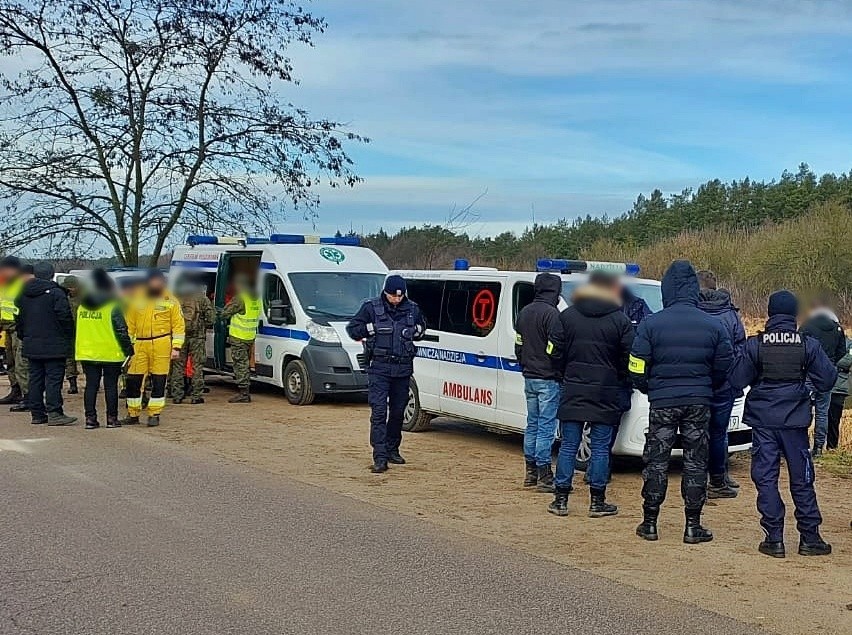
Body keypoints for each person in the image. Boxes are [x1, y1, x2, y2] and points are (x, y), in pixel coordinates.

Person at [629, 260, 733, 544]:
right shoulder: (713, 325)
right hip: (699, 401)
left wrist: (649, 388)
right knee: (695, 462)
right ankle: (692, 525)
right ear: (693, 290)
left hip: (662, 401)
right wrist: (708, 387)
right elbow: (725, 366)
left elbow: (636, 364)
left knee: (656, 462)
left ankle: (649, 523)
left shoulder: (651, 324)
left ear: (666, 290)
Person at [729, 290, 836, 558]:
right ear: (795, 314)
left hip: (764, 422)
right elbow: (827, 379)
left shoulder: (756, 344)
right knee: (802, 480)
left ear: (769, 313)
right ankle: (810, 538)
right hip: (795, 423)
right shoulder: (807, 344)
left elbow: (736, 379)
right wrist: (805, 386)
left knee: (766, 479)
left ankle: (774, 538)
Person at [548, 271, 634, 518]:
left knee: (568, 446)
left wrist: (564, 373)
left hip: (573, 388)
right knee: (599, 448)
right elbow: (629, 358)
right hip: (606, 392)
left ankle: (560, 499)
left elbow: (553, 351)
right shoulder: (620, 320)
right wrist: (619, 378)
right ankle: (597, 502)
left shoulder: (567, 316)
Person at [347, 275, 425, 474]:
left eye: (399, 296)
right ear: (386, 292)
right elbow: (353, 329)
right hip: (380, 369)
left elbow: (422, 328)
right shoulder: (371, 308)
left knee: (398, 412)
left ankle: (392, 449)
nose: (396, 299)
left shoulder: (413, 309)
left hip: (403, 369)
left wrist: (418, 331)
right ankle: (380, 456)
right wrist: (369, 328)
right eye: (392, 296)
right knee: (379, 412)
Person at [696, 270, 747, 499]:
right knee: (719, 432)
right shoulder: (730, 314)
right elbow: (741, 347)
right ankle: (719, 478)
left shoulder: (693, 311)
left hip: (698, 380)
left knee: (697, 433)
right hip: (725, 381)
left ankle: (701, 481)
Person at [514, 272, 565, 492]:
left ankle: (530, 472)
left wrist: (525, 364)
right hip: (548, 378)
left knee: (532, 424)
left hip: (529, 376)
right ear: (555, 291)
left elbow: (518, 344)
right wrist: (559, 368)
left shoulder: (524, 312)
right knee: (546, 426)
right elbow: (556, 348)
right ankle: (545, 474)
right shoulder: (552, 314)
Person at [15, 262, 76, 426]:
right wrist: (69, 336)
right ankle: (55, 412)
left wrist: (24, 336)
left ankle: (37, 413)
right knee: (53, 379)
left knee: (35, 379)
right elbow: (65, 318)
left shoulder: (22, 294)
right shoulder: (56, 293)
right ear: (52, 274)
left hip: (31, 343)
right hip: (54, 344)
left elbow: (18, 320)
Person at [124, 269, 185, 427]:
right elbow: (129, 323)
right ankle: (133, 413)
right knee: (133, 380)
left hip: (161, 343)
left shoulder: (170, 300)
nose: (157, 284)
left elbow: (178, 326)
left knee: (159, 380)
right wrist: (127, 346)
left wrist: (176, 347)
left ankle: (154, 414)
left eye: (160, 281)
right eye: (154, 281)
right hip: (139, 344)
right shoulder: (137, 297)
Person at [75, 269, 134, 429]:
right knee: (110, 386)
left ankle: (90, 419)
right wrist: (129, 349)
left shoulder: (82, 307)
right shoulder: (113, 306)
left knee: (91, 386)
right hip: (110, 352)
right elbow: (121, 330)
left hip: (87, 352)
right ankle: (112, 419)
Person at [800, 299, 846, 457]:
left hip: (810, 372)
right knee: (823, 411)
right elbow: (842, 352)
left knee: (803, 409)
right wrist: (831, 364)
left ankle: (802, 444)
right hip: (828, 373)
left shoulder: (807, 325)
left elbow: (799, 348)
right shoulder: (837, 329)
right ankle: (819, 447)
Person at [169, 275, 215, 404]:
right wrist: (203, 326)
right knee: (197, 366)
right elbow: (211, 319)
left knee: (178, 366)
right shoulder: (202, 298)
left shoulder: (175, 298)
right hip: (198, 337)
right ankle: (196, 396)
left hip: (179, 336)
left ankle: (177, 395)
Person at [220, 274, 261, 403]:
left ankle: (244, 393)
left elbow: (224, 313)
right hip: (250, 336)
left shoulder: (240, 298)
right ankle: (245, 390)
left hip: (239, 336)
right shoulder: (256, 298)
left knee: (240, 364)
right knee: (245, 364)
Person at [0, 256, 26, 407]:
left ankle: (26, 394)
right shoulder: (3, 284)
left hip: (18, 327)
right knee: (9, 361)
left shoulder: (21, 284)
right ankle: (15, 391)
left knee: (21, 362)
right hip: (6, 327)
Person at [828, 345, 852, 450]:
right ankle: (817, 447)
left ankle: (832, 447)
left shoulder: (849, 344)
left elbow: (847, 362)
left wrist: (829, 363)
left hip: (839, 388)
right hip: (822, 385)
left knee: (834, 420)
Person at [60, 275, 82, 395]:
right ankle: (72, 383)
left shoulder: (85, 299)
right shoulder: (64, 298)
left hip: (83, 332)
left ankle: (90, 381)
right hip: (69, 331)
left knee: (84, 358)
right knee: (69, 359)